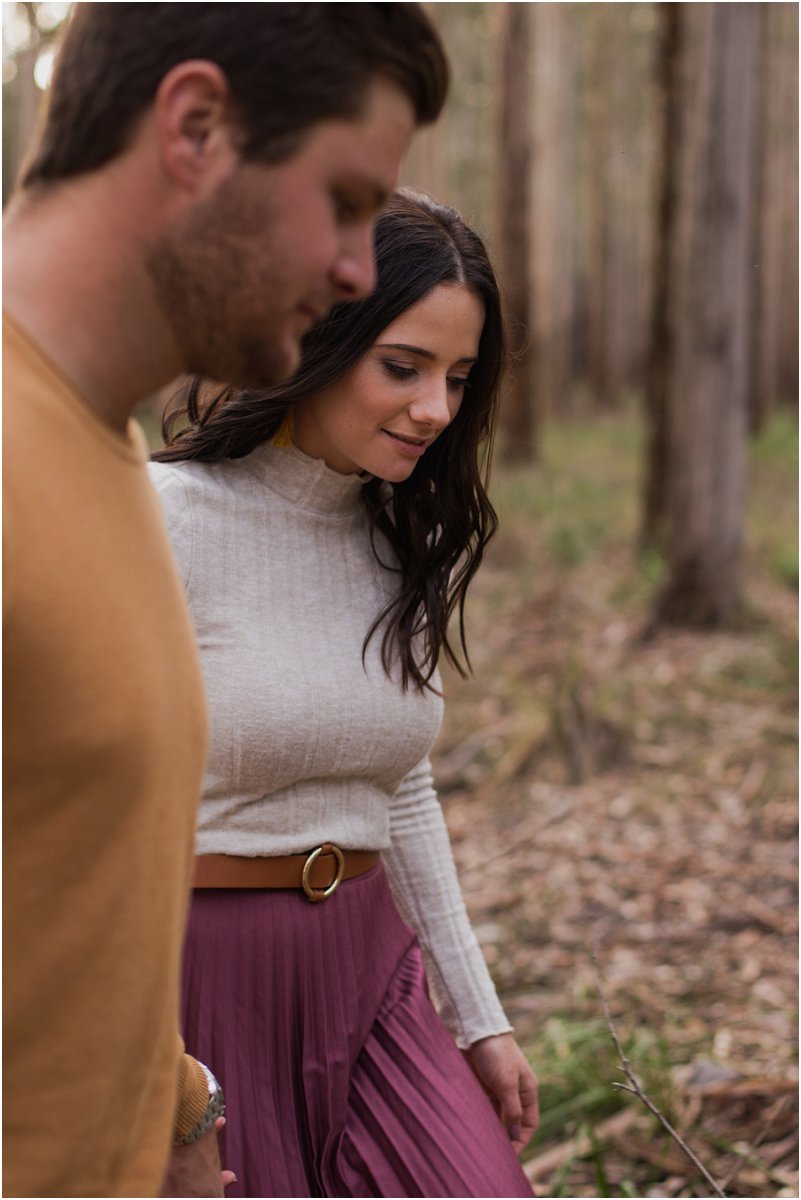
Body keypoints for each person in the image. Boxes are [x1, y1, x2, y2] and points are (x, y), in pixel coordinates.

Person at [3, 5, 448, 1196]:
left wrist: (178, 1109)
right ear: (195, 126)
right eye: (344, 200)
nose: (359, 269)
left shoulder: (105, 459)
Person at [148, 190, 539, 1198]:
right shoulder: (162, 520)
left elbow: (397, 784)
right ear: (313, 342)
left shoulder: (402, 541)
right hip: (191, 978)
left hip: (370, 974)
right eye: (402, 367)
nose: (436, 409)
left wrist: (478, 1018)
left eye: (458, 378)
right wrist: (155, 1076)